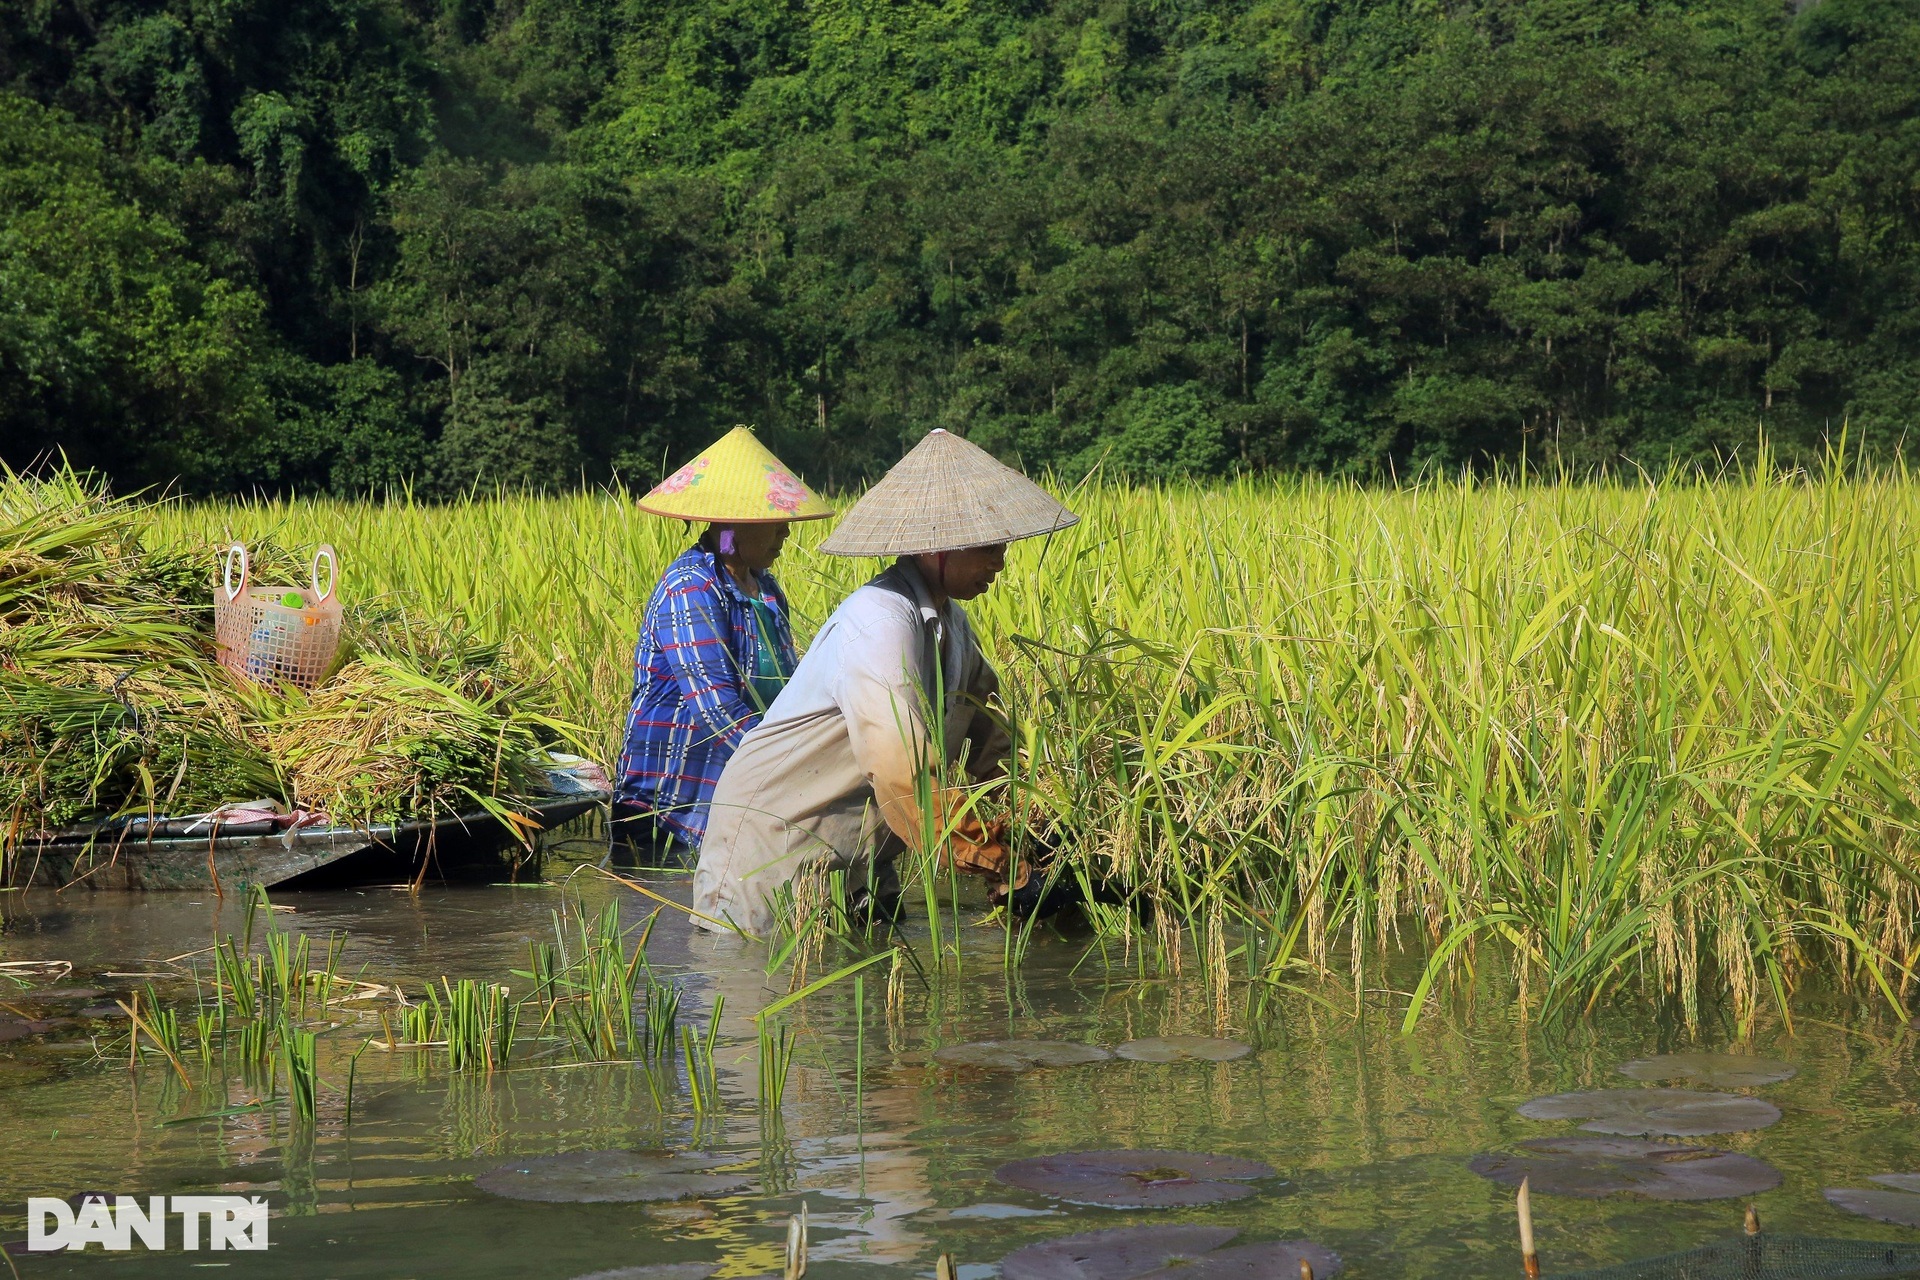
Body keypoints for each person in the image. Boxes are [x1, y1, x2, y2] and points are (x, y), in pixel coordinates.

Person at [692, 428, 1078, 935]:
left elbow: (993, 740)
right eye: (985, 546)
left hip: (859, 850)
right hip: (775, 844)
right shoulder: (878, 623)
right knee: (752, 983)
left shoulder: (951, 627)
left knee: (864, 999)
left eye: (1002, 546)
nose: (999, 562)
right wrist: (989, 857)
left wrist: (1033, 834)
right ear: (936, 547)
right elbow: (901, 767)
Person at [612, 426, 834, 866]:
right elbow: (716, 710)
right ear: (731, 525)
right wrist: (790, 771)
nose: (786, 534)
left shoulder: (766, 591)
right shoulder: (691, 587)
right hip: (671, 803)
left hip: (736, 793)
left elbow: (787, 689)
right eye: (772, 523)